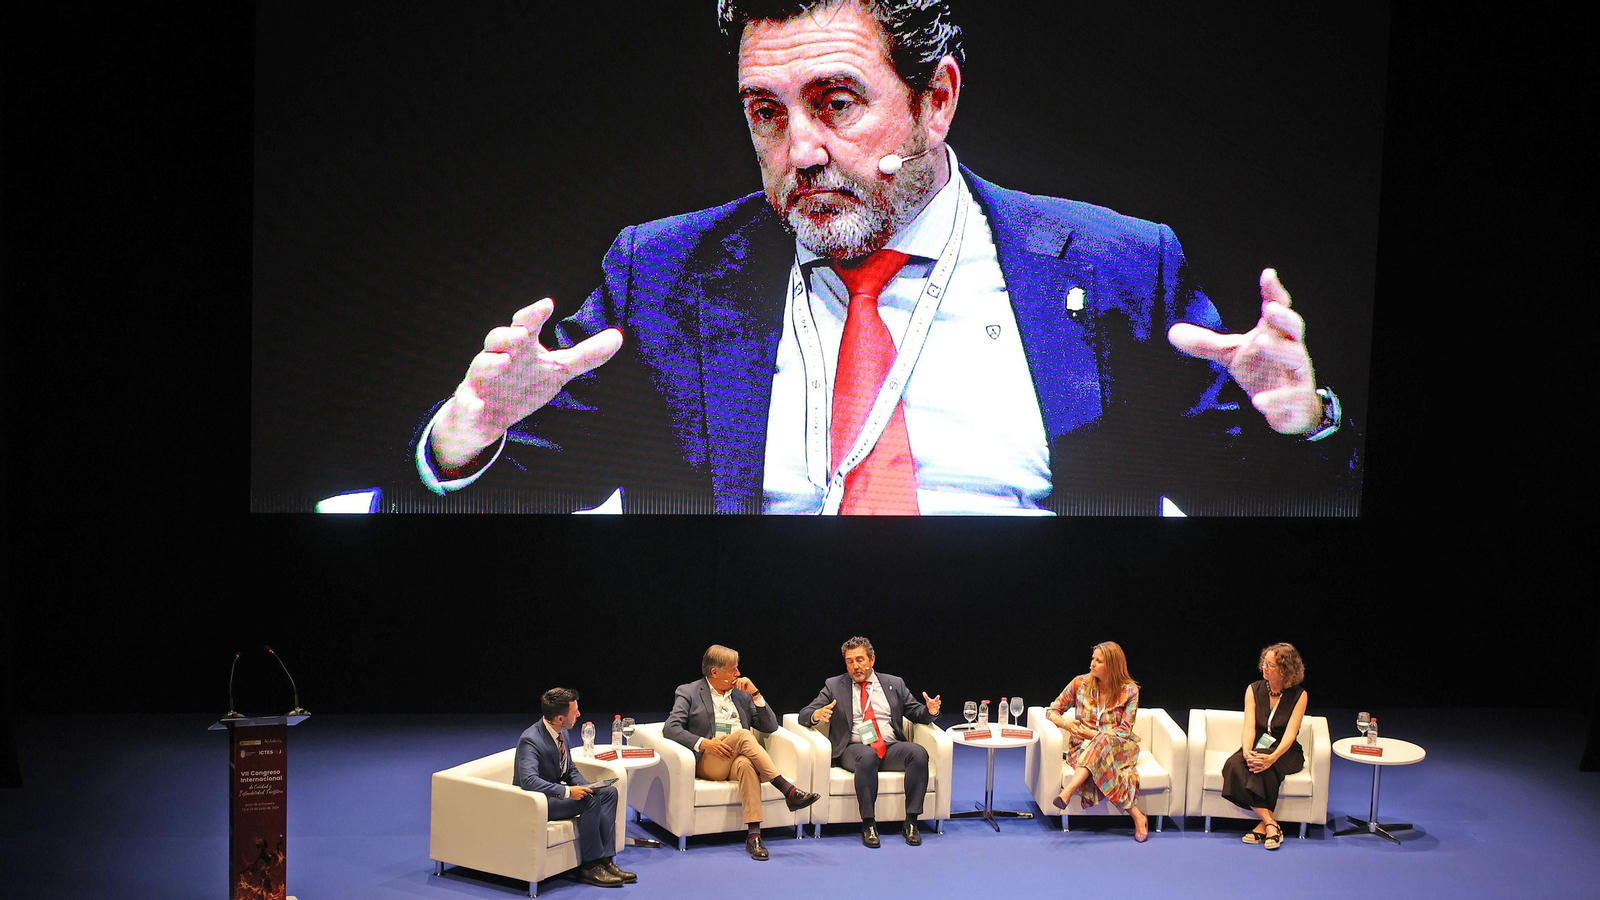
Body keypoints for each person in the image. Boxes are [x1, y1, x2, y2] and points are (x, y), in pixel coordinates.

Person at [413, 0, 1357, 514]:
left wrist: (1300, 421)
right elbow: (503, 490)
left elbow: (1264, 506)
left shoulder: (1116, 266)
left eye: (836, 102)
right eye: (766, 113)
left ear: (936, 100)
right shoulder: (665, 272)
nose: (801, 152)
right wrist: (468, 432)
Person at [661, 644, 821, 859]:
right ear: (714, 672)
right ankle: (787, 789)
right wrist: (705, 743)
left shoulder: (741, 695)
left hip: (738, 759)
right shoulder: (689, 692)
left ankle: (754, 837)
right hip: (710, 761)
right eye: (732, 669)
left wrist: (755, 694)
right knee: (745, 735)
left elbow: (770, 726)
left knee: (747, 765)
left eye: (738, 668)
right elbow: (671, 728)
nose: (738, 674)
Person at [798, 636, 941, 847]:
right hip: (853, 748)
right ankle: (868, 822)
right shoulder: (834, 685)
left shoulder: (894, 683)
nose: (855, 666)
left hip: (890, 746)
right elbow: (804, 714)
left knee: (918, 753)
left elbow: (916, 712)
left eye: (860, 660)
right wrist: (816, 714)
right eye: (849, 661)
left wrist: (929, 711)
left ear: (872, 660)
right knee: (867, 756)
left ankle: (911, 821)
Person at [514, 687, 635, 888]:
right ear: (560, 718)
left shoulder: (561, 733)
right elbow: (528, 781)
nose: (579, 714)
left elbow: (569, 768)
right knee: (590, 800)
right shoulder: (531, 740)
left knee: (608, 793)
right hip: (539, 802)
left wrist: (588, 786)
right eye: (574, 711)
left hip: (555, 794)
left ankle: (605, 860)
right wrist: (568, 791)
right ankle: (589, 867)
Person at [1045, 641, 1149, 841]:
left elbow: (1124, 730)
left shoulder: (1130, 691)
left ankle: (1068, 791)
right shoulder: (1080, 683)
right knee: (1096, 746)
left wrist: (1093, 735)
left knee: (1099, 741)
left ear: (1111, 666)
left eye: (1098, 661)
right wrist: (1066, 724)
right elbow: (1052, 710)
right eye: (1093, 659)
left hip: (1120, 747)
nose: (1092, 664)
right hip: (1084, 748)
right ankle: (1137, 816)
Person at [1219, 642, 1309, 850]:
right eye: (1264, 663)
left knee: (1265, 769)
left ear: (1285, 670)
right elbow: (1249, 727)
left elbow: (1290, 733)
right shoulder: (1253, 689)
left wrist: (1273, 757)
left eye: (1270, 665)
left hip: (1286, 751)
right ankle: (1270, 823)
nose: (1264, 668)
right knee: (1233, 764)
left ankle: (1264, 825)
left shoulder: (1299, 695)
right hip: (1257, 747)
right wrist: (1247, 751)